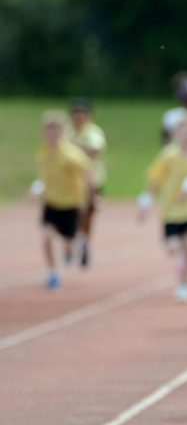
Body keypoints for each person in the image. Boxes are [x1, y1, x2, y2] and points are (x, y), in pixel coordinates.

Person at [140, 117, 187, 303]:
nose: (186, 135)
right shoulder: (169, 155)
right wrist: (145, 202)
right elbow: (154, 178)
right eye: (182, 131)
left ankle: (185, 283)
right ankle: (182, 263)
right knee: (173, 248)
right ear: (176, 134)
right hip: (170, 211)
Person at [34, 110, 93, 290]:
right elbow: (45, 177)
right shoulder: (43, 153)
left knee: (68, 241)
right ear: (45, 133)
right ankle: (52, 272)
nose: (53, 134)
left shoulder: (72, 155)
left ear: (63, 132)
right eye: (49, 130)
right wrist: (38, 189)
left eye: (56, 130)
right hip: (51, 203)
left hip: (70, 204)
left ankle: (77, 244)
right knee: (46, 237)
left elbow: (87, 176)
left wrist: (88, 199)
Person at [68, 98, 106, 267]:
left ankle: (84, 242)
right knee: (71, 213)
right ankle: (72, 242)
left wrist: (73, 154)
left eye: (82, 115)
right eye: (76, 115)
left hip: (92, 180)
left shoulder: (93, 132)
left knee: (87, 215)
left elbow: (94, 151)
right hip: (70, 181)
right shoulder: (67, 132)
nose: (79, 118)